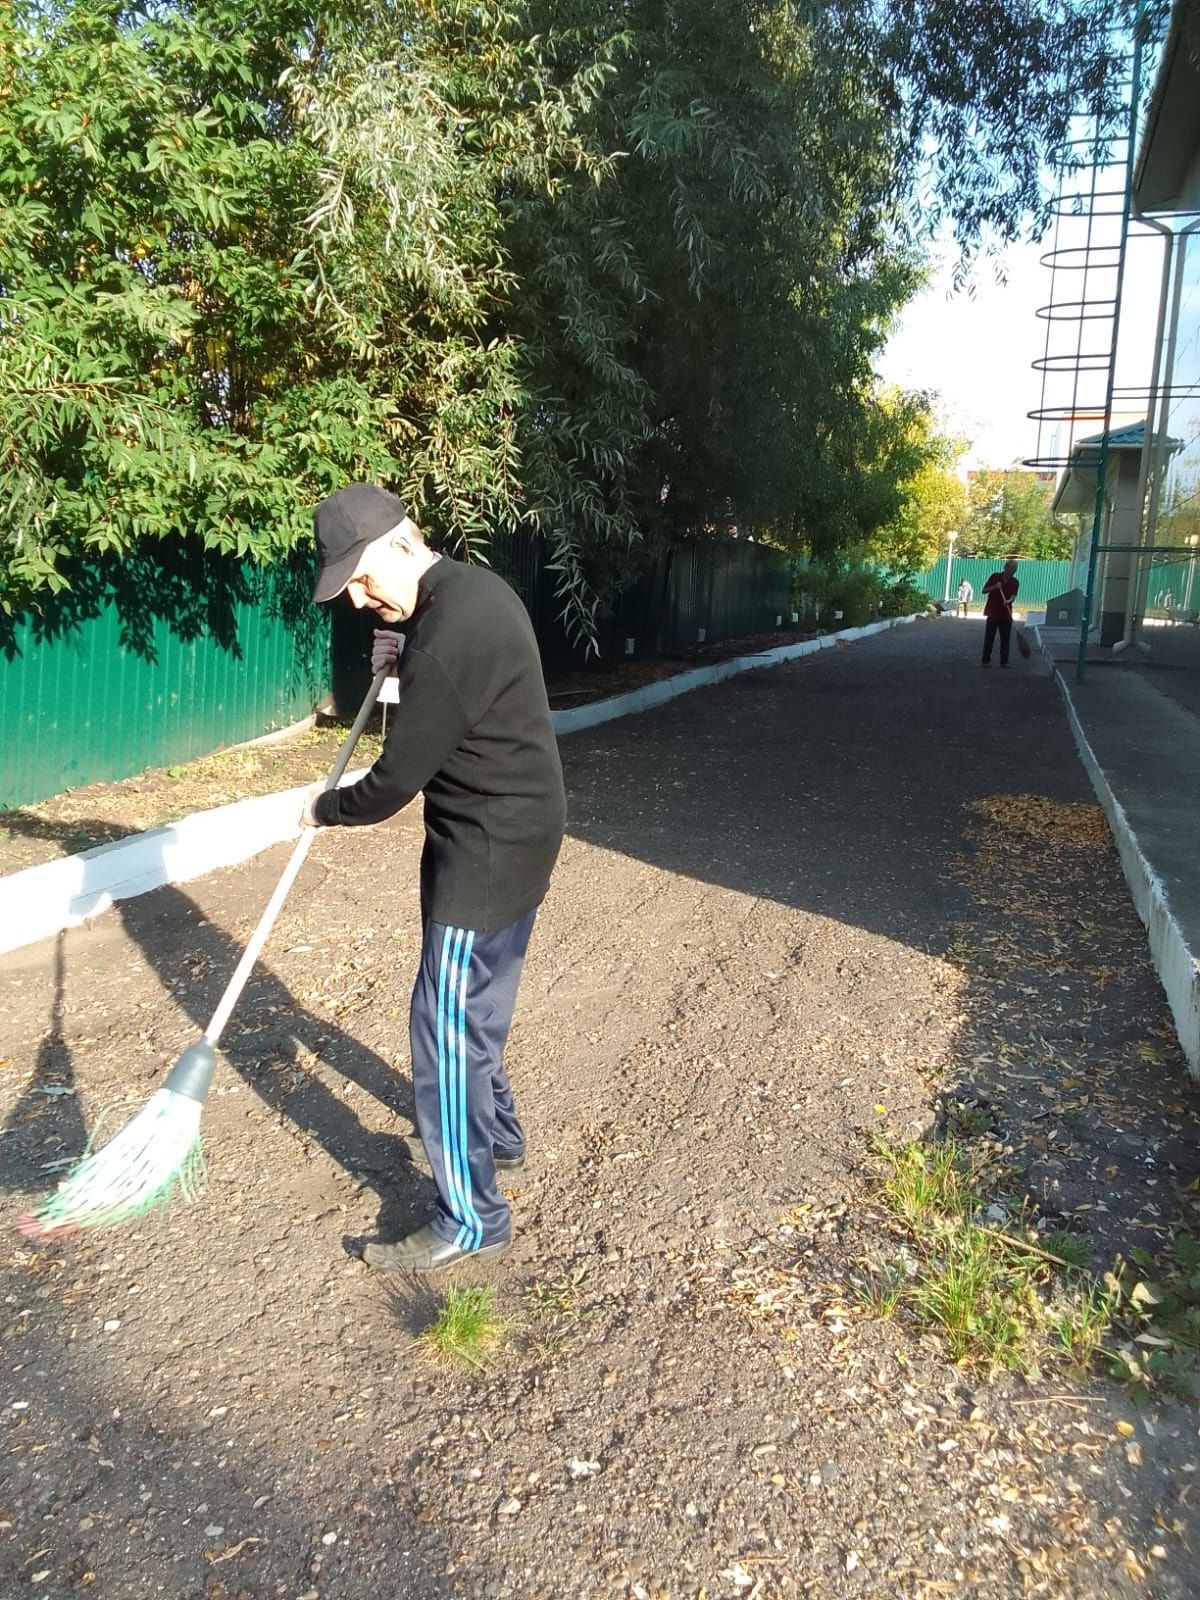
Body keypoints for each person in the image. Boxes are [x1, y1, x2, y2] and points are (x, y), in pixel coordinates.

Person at [300, 483, 567, 1272]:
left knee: (445, 1027)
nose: (355, 599)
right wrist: (400, 650)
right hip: (515, 831)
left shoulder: (448, 634)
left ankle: (473, 1216)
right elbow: (440, 681)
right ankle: (501, 1137)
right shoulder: (469, 592)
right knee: (476, 1006)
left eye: (359, 577)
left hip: (483, 850)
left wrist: (324, 807)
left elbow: (392, 783)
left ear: (398, 544)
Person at [980, 558, 1019, 667]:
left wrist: (1009, 601)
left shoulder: (1015, 582)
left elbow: (1013, 596)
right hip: (993, 612)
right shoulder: (995, 577)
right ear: (1005, 568)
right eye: (1010, 569)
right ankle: (985, 660)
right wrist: (995, 587)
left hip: (1006, 614)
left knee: (1005, 639)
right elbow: (984, 590)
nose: (1011, 572)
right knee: (989, 637)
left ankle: (1004, 662)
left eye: (1014, 571)